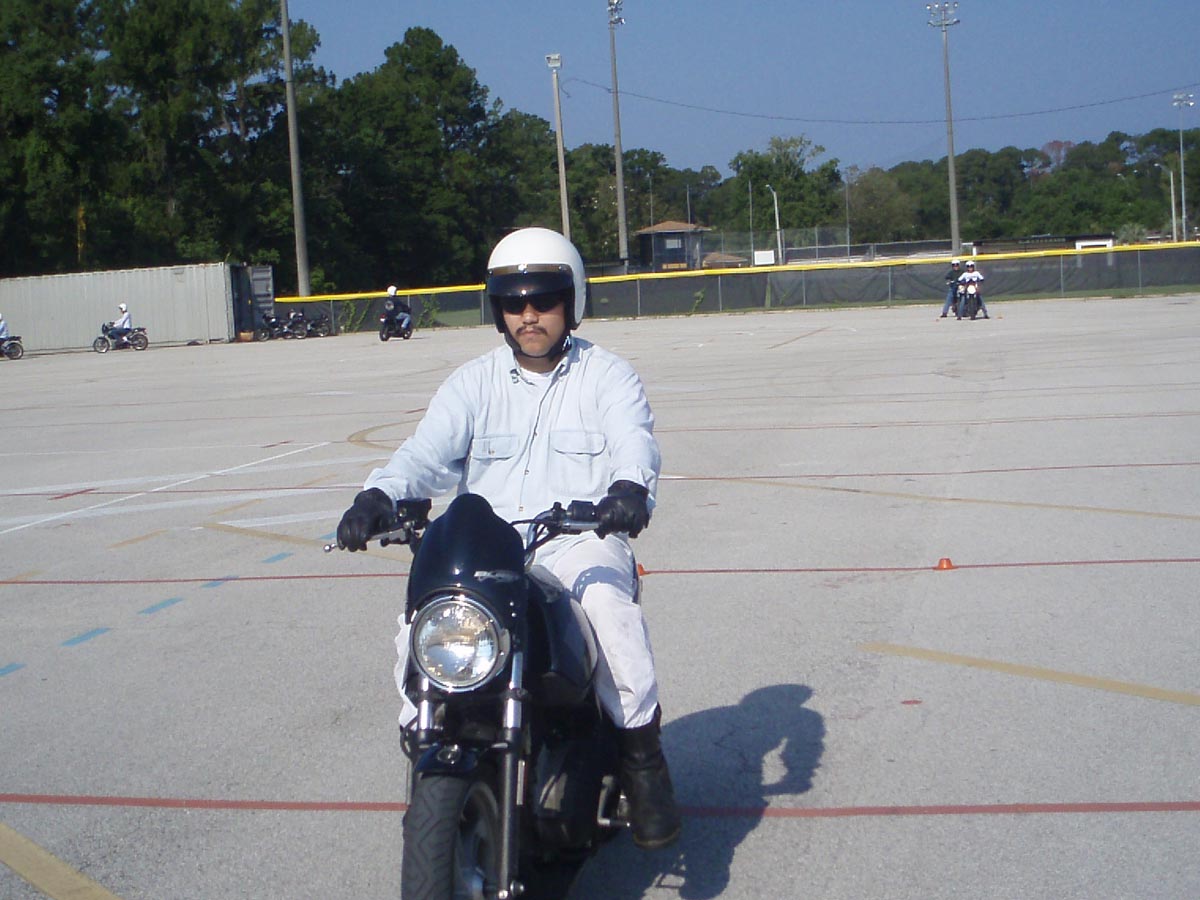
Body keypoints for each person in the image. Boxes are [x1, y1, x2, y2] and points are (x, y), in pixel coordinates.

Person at [337, 227, 682, 850]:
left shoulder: (607, 376)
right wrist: (379, 495)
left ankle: (642, 758)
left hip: (580, 540)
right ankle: (426, 745)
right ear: (498, 309)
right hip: (491, 546)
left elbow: (634, 440)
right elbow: (424, 452)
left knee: (610, 610)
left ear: (571, 302)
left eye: (544, 300)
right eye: (514, 302)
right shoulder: (472, 382)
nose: (529, 315)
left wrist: (630, 489)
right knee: (420, 623)